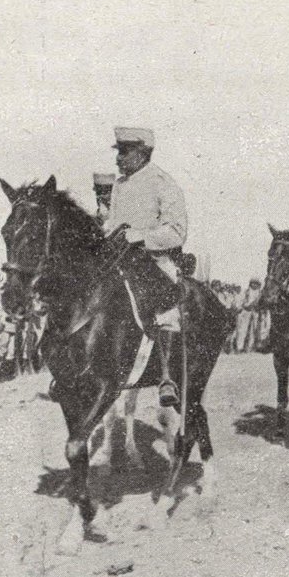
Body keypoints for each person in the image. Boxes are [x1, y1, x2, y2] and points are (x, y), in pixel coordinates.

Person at [102, 127, 188, 407]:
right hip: (120, 259)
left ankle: (166, 377)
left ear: (143, 152)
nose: (119, 159)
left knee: (167, 311)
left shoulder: (163, 183)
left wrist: (140, 236)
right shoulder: (119, 185)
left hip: (154, 259)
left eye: (125, 152)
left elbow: (177, 232)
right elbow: (112, 224)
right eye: (119, 152)